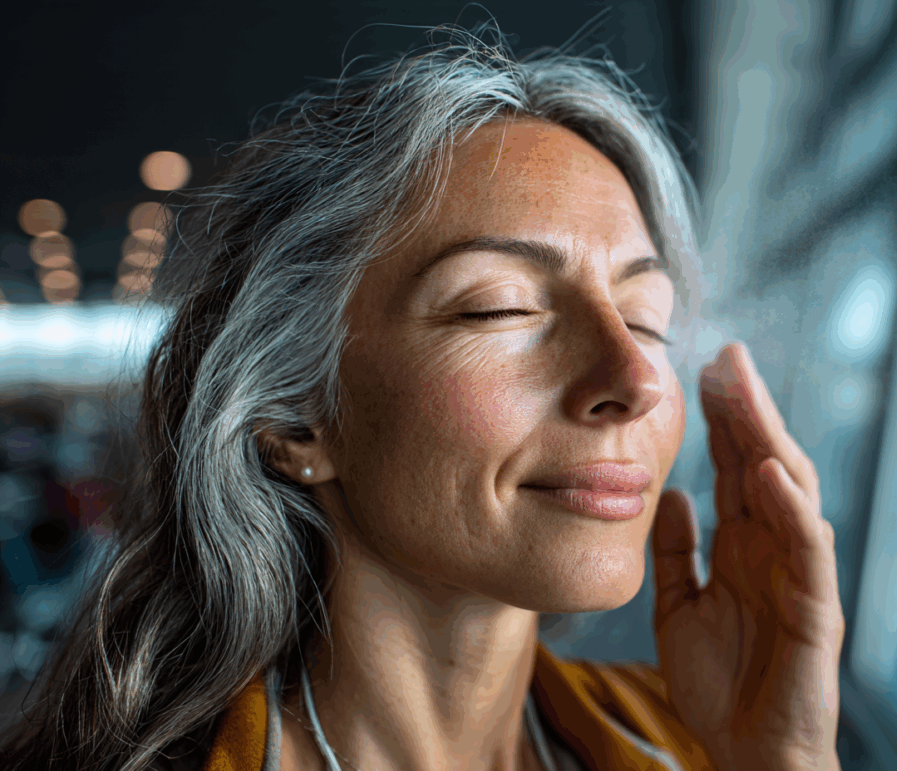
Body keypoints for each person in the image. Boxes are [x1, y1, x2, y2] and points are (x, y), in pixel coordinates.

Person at [0, 23, 844, 771]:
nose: (634, 379)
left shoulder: (704, 740)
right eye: (499, 306)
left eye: (645, 317)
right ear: (294, 416)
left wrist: (785, 758)